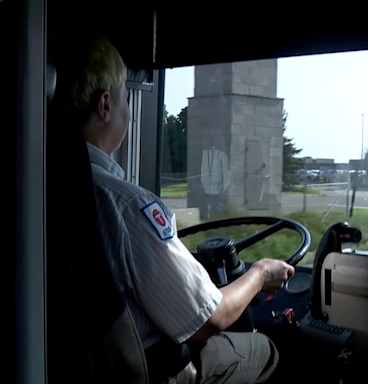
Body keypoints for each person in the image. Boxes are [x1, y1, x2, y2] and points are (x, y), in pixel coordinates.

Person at [53, 36, 295, 384]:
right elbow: (210, 319)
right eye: (125, 96)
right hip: (156, 370)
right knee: (264, 349)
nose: (129, 110)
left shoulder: (45, 189)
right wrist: (258, 275)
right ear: (105, 105)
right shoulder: (128, 205)